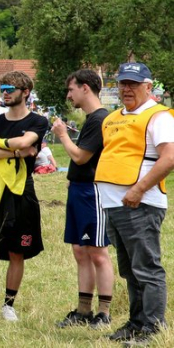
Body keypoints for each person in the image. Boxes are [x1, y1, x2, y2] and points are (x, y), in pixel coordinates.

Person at [93, 63, 174, 343]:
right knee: (130, 270)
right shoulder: (113, 118)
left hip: (139, 203)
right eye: (123, 83)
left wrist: (139, 190)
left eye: (134, 84)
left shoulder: (158, 116)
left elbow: (169, 158)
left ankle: (153, 327)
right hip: (115, 204)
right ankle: (136, 322)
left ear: (148, 87)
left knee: (146, 268)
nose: (127, 89)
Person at [0, 71, 48, 323]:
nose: (5, 92)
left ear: (25, 92)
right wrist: (15, 152)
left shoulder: (38, 120)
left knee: (17, 252)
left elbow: (28, 140)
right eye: (2, 88)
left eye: (10, 88)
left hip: (21, 192)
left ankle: (8, 305)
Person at [51, 69, 114, 329]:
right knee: (80, 250)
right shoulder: (91, 118)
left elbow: (80, 157)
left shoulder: (101, 119)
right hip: (79, 189)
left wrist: (62, 135)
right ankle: (83, 310)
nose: (69, 95)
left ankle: (104, 312)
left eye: (71, 89)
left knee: (98, 252)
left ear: (86, 88)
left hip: (93, 191)